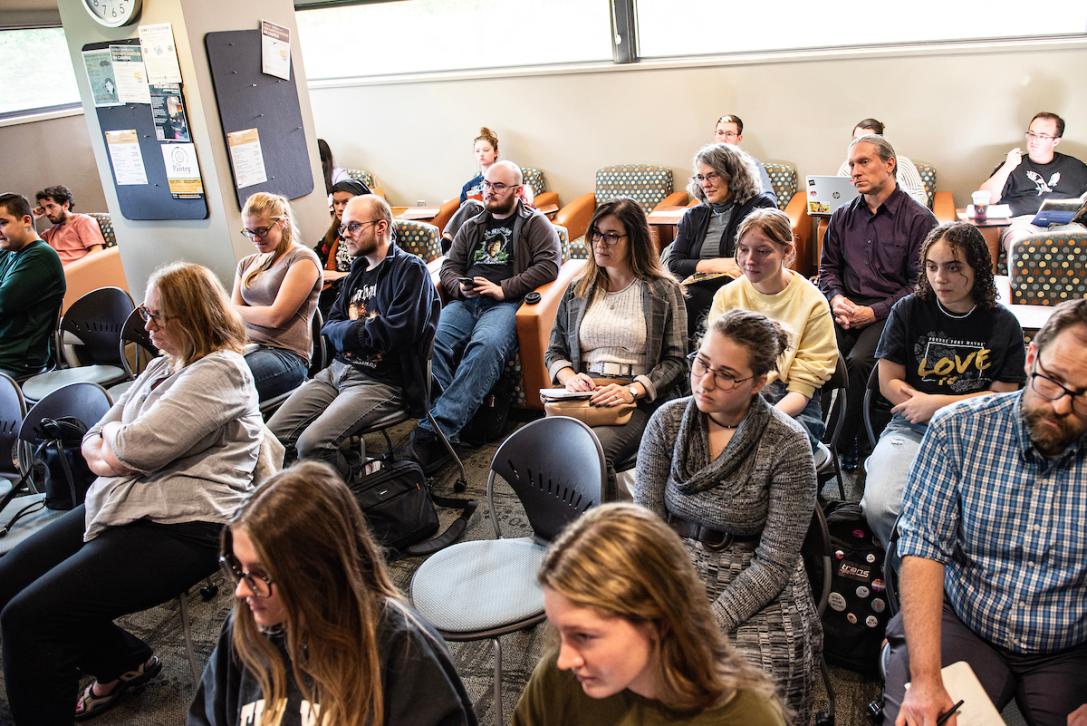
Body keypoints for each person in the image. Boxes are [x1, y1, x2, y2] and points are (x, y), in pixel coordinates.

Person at [0, 262, 262, 723]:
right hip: (124, 500)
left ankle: (111, 665)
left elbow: (135, 447)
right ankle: (123, 662)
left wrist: (112, 449)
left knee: (29, 620)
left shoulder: (221, 371)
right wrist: (111, 449)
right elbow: (98, 436)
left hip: (187, 525)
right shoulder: (165, 363)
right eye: (147, 312)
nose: (148, 325)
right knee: (9, 579)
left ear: (195, 316)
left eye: (160, 316)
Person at [882, 298, 1087, 726]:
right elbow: (923, 548)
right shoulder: (958, 427)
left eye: (1083, 396)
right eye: (1051, 382)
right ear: (1031, 358)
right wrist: (924, 681)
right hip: (968, 620)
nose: (1061, 406)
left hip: (1069, 643)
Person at [634, 309, 821, 721]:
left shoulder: (787, 444)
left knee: (753, 687)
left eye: (725, 375)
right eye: (702, 363)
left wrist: (707, 623)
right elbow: (645, 531)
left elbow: (775, 563)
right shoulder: (667, 422)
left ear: (759, 383)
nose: (705, 382)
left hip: (754, 580)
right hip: (678, 565)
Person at [189, 460, 476, 725]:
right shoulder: (245, 627)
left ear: (316, 571)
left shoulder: (403, 649)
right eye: (238, 568)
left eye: (259, 574)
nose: (241, 590)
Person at [513, 502, 785, 726]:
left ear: (658, 621)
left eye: (584, 635)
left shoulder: (747, 717)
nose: (565, 659)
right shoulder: (560, 678)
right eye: (561, 631)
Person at [860, 222, 1025, 546]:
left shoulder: (1003, 323)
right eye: (932, 267)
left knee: (981, 518)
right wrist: (920, 406)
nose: (940, 278)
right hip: (911, 428)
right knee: (881, 508)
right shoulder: (908, 310)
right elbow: (888, 382)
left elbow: (1004, 398)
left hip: (979, 434)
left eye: (952, 268)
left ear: (977, 268)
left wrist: (935, 404)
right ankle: (907, 575)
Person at [268, 194, 438, 479]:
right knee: (270, 438)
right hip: (337, 372)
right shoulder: (357, 271)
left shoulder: (410, 271)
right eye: (344, 226)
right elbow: (328, 328)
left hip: (381, 381)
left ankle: (354, 503)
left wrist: (350, 331)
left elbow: (394, 334)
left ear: (381, 227)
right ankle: (312, 495)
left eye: (354, 226)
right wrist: (366, 329)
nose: (345, 233)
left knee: (311, 443)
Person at [411, 161, 560, 471]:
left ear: (517, 191)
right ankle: (450, 425)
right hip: (466, 303)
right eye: (486, 185)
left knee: (486, 346)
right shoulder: (473, 224)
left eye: (497, 186)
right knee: (429, 340)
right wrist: (457, 286)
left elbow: (549, 266)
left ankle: (433, 433)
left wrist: (503, 289)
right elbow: (450, 267)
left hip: (506, 304)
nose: (488, 191)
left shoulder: (535, 224)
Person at [545, 198, 687, 498]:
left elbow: (676, 362)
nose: (601, 243)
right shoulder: (579, 288)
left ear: (634, 239)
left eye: (612, 235)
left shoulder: (662, 290)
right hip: (583, 396)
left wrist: (633, 390)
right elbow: (554, 351)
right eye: (596, 233)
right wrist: (569, 376)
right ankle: (561, 532)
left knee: (592, 452)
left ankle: (611, 537)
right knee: (547, 449)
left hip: (635, 400)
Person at [818, 134, 938, 469]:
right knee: (812, 348)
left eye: (863, 162)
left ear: (889, 164)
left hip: (893, 311)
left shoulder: (918, 219)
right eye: (852, 165)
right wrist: (836, 298)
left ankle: (841, 448)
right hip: (846, 308)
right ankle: (809, 432)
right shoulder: (842, 216)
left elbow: (922, 284)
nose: (855, 171)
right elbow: (827, 269)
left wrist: (873, 311)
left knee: (857, 363)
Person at [708, 208, 837, 451]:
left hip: (791, 400)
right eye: (743, 249)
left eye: (763, 251)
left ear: (787, 251)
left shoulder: (812, 302)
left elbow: (802, 389)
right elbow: (714, 363)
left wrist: (754, 423)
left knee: (769, 451)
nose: (749, 260)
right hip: (734, 391)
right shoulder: (728, 296)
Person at [667, 143, 777, 342]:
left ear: (732, 175)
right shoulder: (694, 214)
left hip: (742, 287)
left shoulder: (759, 206)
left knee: (695, 299)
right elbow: (674, 263)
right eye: (700, 177)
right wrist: (721, 264)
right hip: (698, 287)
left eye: (712, 175)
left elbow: (765, 257)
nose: (705, 184)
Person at [233, 193, 322, 402]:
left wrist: (237, 311)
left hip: (285, 355)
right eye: (250, 232)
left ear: (282, 222)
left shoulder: (302, 259)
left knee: (226, 381)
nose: (256, 238)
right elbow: (232, 315)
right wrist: (236, 312)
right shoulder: (247, 263)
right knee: (195, 375)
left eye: (262, 230)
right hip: (247, 346)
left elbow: (276, 318)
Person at [977, 112, 1087, 263]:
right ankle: (1023, 285)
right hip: (1022, 224)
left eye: (1042, 136)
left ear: (1055, 141)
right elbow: (986, 197)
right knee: (1021, 243)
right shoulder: (1013, 165)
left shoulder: (1075, 167)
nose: (1034, 140)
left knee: (1082, 242)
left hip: (1065, 225)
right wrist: (1008, 166)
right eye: (1031, 134)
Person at [0, 192, 65, 379]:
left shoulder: (40, 256)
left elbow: (3, 303)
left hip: (16, 361)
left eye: (3, 223)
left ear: (26, 220)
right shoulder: (8, 253)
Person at [835, 118, 928, 208]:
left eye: (866, 139)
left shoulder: (903, 163)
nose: (859, 144)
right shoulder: (846, 167)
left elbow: (920, 198)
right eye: (855, 140)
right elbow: (837, 197)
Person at [314, 178, 372, 317]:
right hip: (335, 291)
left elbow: (382, 274)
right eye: (336, 202)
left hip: (363, 293)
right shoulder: (336, 231)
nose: (340, 208)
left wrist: (337, 276)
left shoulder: (376, 232)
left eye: (346, 202)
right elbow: (316, 254)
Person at [713, 114, 777, 206]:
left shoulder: (751, 163)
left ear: (739, 138)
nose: (723, 138)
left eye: (729, 134)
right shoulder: (705, 164)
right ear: (715, 135)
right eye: (720, 133)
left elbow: (768, 196)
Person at [34, 184, 107, 265]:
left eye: (50, 206)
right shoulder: (49, 233)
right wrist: (32, 219)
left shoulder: (83, 221)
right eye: (43, 209)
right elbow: (30, 252)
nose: (47, 213)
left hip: (77, 272)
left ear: (65, 205)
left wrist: (71, 269)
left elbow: (97, 251)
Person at [459, 127, 500, 204]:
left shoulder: (506, 182)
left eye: (486, 150)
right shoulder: (468, 187)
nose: (481, 154)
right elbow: (464, 213)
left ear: (496, 152)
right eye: (477, 151)